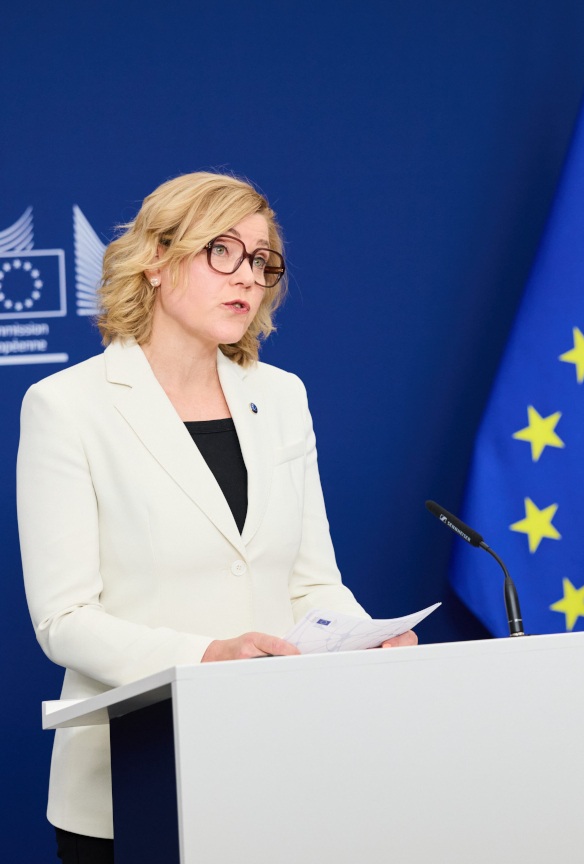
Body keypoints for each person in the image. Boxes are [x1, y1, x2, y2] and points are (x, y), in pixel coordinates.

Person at [16, 171, 419, 864]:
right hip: (133, 783)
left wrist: (362, 639)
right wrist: (205, 657)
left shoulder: (282, 396)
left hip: (277, 772)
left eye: (263, 261)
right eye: (222, 251)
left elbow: (312, 581)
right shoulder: (65, 406)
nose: (248, 277)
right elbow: (64, 620)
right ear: (156, 259)